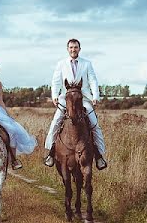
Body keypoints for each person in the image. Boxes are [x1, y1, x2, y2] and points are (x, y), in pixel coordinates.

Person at [44, 38, 107, 169]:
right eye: (71, 47)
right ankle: (50, 153)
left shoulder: (87, 64)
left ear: (79, 49)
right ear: (68, 49)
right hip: (66, 99)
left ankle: (99, 156)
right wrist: (55, 96)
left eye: (76, 47)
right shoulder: (61, 64)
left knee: (94, 125)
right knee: (56, 122)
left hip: (83, 99)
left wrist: (95, 96)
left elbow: (93, 80)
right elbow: (55, 81)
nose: (73, 49)